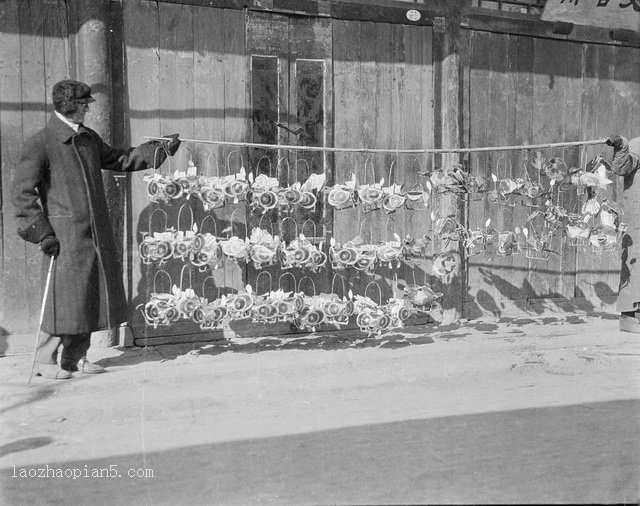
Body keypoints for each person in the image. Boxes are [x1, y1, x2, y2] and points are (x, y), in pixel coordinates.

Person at [11, 79, 180, 379]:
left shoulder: (88, 138)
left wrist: (159, 150)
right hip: (63, 238)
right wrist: (42, 232)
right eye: (84, 105)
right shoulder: (41, 143)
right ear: (70, 106)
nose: (88, 110)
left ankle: (75, 359)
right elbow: (22, 195)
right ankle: (44, 361)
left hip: (93, 233)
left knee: (87, 299)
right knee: (62, 301)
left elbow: (120, 158)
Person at [607, 134, 640, 333]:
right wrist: (621, 146)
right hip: (638, 217)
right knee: (635, 262)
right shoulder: (637, 145)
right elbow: (621, 168)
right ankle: (632, 316)